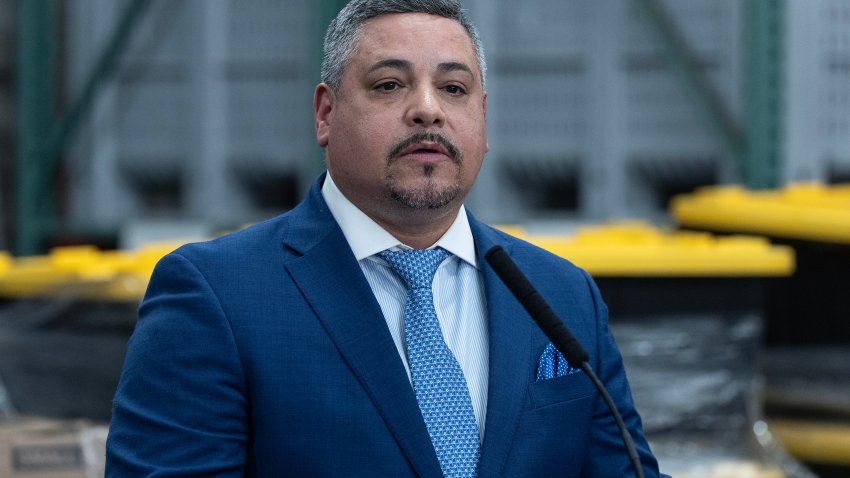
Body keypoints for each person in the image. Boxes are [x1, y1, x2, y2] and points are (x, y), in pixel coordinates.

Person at [106, 0, 665, 476]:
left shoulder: (562, 297)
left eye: (453, 87)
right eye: (390, 85)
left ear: (484, 119)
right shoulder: (217, 296)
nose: (428, 109)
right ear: (326, 114)